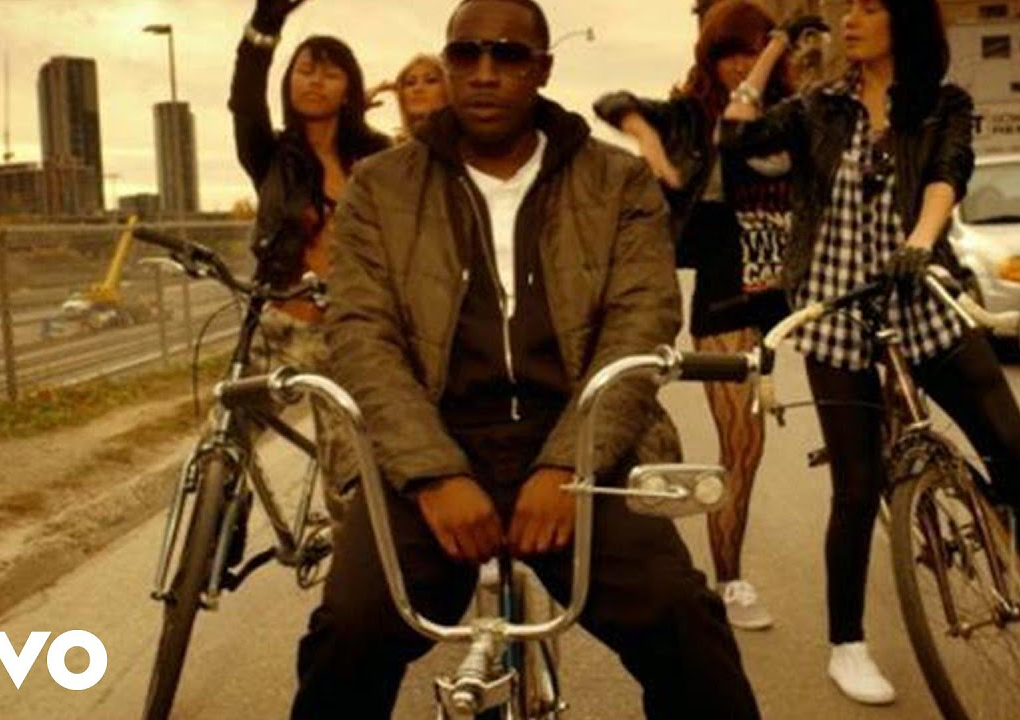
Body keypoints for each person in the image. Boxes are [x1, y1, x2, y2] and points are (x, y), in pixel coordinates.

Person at [291, 0, 761, 717]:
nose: (484, 73)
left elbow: (641, 323)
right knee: (347, 633)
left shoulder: (615, 179)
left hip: (581, 442)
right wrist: (432, 473)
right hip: (431, 447)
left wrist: (570, 466)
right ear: (449, 64)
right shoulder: (381, 187)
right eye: (466, 55)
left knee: (685, 624)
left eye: (508, 56)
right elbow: (360, 334)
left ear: (542, 69)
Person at [722, 0, 1020, 705]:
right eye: (847, 8)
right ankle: (847, 645)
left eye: (869, 7)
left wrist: (920, 240)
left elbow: (949, 172)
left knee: (1013, 448)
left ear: (905, 21)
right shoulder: (819, 107)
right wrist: (772, 48)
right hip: (836, 311)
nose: (849, 19)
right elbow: (738, 138)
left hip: (920, 293)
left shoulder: (942, 104)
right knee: (856, 488)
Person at [594, 0, 812, 631]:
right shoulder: (690, 115)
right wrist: (649, 142)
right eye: (728, 53)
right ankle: (731, 581)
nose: (740, 64)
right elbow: (610, 101)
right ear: (709, 58)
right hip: (727, 293)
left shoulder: (795, 112)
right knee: (743, 446)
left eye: (751, 51)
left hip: (796, 284)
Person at [228, 0, 390, 522]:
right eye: (305, 70)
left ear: (350, 89)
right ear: (289, 82)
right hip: (279, 328)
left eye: (330, 73)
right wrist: (266, 24)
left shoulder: (377, 158)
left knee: (350, 480)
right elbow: (244, 101)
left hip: (348, 337)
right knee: (223, 443)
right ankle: (214, 529)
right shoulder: (270, 154)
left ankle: (352, 560)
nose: (315, 81)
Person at [368, 53, 450, 140]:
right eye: (410, 83)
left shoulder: (458, 141)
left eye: (430, 80)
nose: (418, 88)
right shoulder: (395, 145)